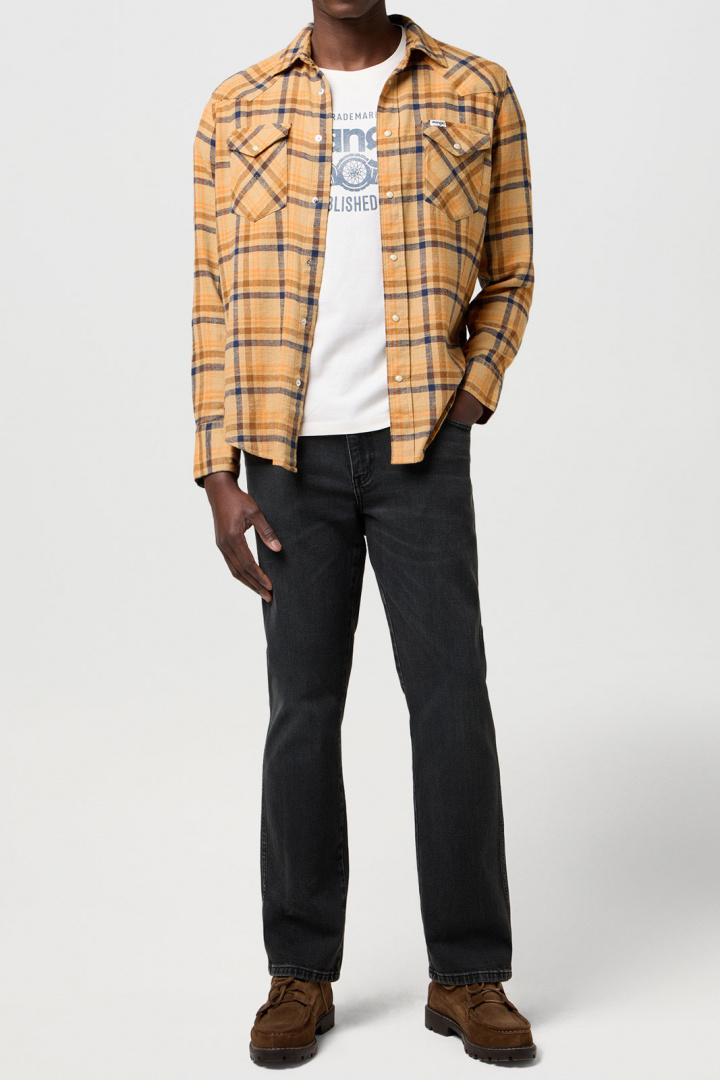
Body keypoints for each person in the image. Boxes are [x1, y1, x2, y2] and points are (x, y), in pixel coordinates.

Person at [191, 1, 535, 1065]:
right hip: (284, 458)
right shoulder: (236, 105)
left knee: (452, 705)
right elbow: (211, 298)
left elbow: (512, 271)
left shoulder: (476, 89)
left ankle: (469, 977)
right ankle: (299, 973)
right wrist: (217, 469)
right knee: (301, 713)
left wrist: (469, 396)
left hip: (418, 449)